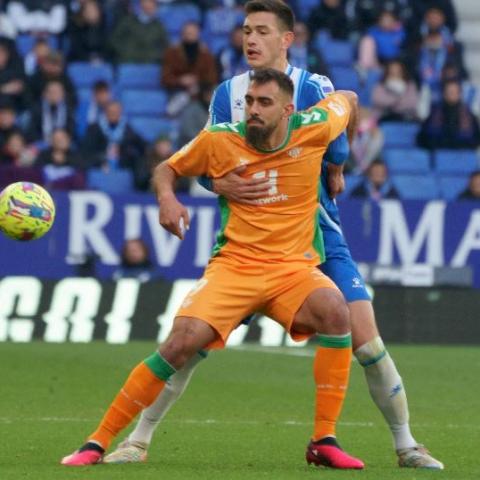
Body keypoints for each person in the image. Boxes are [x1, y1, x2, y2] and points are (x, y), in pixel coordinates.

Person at [105, 0, 443, 470]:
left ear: (287, 39)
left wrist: (338, 167)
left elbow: (339, 137)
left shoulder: (313, 86)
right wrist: (216, 184)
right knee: (191, 345)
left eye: (262, 31)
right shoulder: (226, 93)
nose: (250, 39)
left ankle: (407, 445)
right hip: (250, 244)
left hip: (316, 235)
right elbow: (207, 161)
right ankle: (137, 441)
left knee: (365, 339)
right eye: (246, 30)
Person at [62, 69, 364, 470]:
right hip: (235, 267)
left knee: (336, 311)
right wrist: (167, 199)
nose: (253, 110)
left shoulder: (316, 126)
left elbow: (351, 99)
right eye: (251, 101)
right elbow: (167, 168)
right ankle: (96, 442)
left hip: (292, 269)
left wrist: (337, 164)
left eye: (264, 103)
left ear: (289, 110)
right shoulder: (222, 138)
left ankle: (323, 440)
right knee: (180, 344)